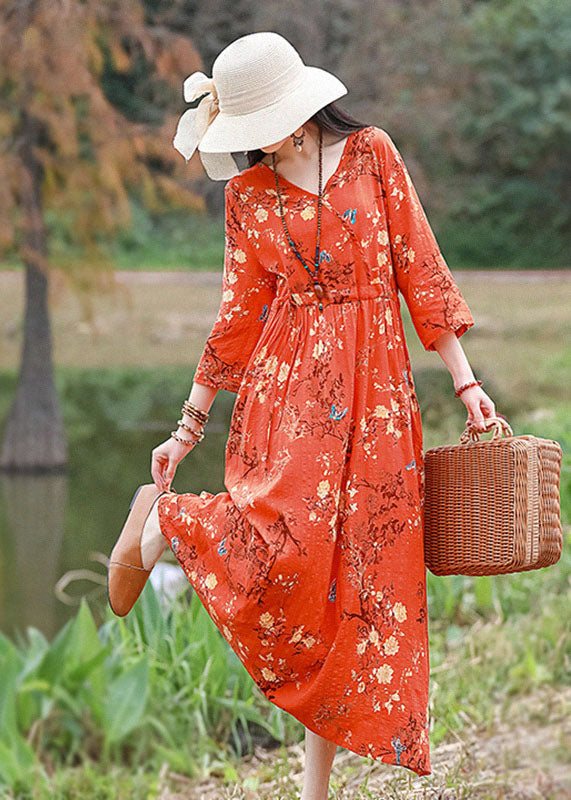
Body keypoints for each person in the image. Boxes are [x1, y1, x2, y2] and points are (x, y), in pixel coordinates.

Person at [107, 31, 496, 800]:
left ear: (304, 105)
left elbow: (419, 266)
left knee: (353, 586)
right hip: (290, 393)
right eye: (250, 136)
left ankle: (314, 789)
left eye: (272, 128)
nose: (267, 146)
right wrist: (186, 426)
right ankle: (165, 523)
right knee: (290, 558)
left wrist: (464, 383)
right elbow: (235, 319)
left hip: (379, 401)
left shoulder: (373, 155)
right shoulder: (246, 197)